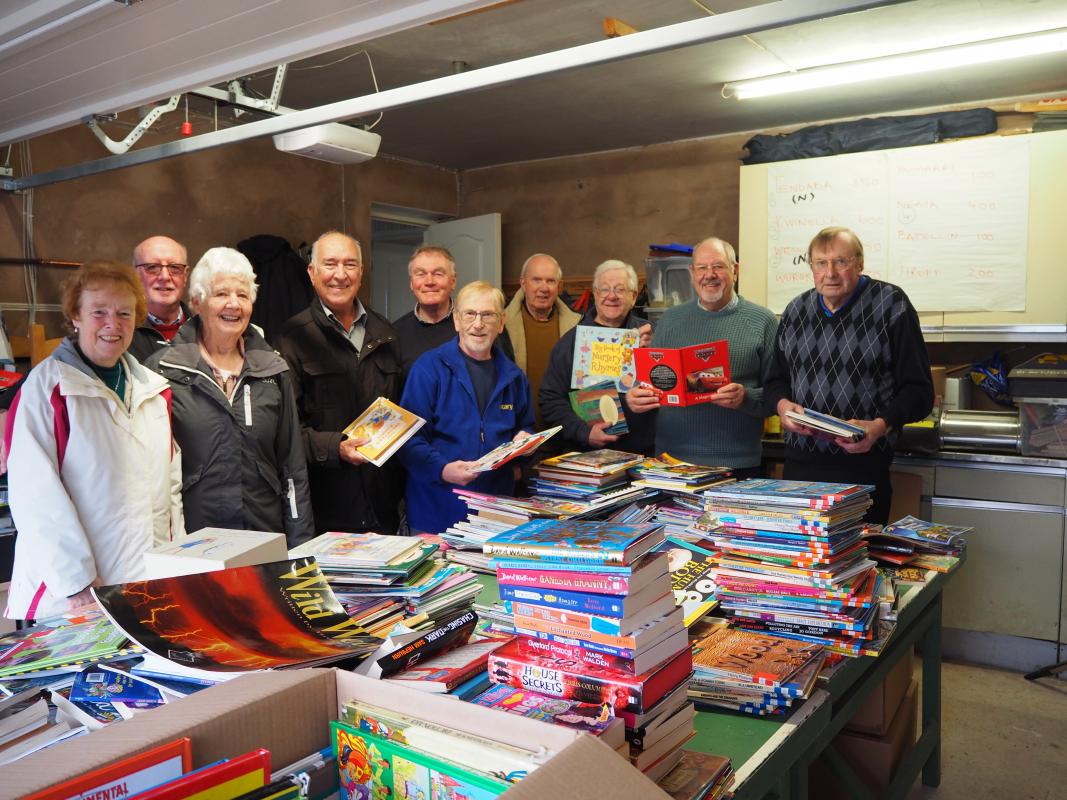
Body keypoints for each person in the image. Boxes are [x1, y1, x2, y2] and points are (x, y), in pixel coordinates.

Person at [4, 260, 183, 620]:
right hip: (74, 594)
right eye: (98, 312)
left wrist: (173, 564)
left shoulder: (154, 390)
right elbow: (35, 495)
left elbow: (169, 491)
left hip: (145, 583)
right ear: (75, 317)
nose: (112, 325)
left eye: (124, 313)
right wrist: (76, 581)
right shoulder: (48, 389)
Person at [147, 247, 314, 546]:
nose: (234, 304)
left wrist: (300, 546)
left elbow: (292, 468)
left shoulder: (273, 369)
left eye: (243, 295)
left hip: (262, 536)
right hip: (194, 541)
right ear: (197, 302)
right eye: (222, 293)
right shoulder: (163, 370)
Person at [767, 226, 934, 523]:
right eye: (821, 263)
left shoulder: (891, 305)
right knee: (800, 562)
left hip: (863, 467)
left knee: (860, 562)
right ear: (812, 267)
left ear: (859, 263)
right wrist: (782, 407)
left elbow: (919, 392)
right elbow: (774, 381)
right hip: (799, 471)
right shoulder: (795, 311)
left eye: (840, 262)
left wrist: (879, 427)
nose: (830, 272)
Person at [277, 231, 405, 534]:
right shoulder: (290, 337)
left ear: (361, 273)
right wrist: (337, 447)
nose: (339, 275)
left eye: (349, 265)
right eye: (330, 264)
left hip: (381, 503)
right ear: (311, 272)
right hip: (326, 505)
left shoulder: (386, 333)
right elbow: (285, 430)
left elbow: (401, 409)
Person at [626, 237, 778, 475]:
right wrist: (636, 398)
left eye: (718, 266)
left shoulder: (763, 321)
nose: (710, 274)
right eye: (702, 268)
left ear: (735, 271)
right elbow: (650, 383)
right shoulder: (670, 320)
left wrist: (745, 398)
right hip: (671, 462)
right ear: (692, 273)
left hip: (737, 463)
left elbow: (777, 395)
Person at [398, 281, 534, 534]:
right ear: (457, 321)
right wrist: (442, 469)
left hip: (496, 514)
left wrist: (524, 440)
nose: (478, 324)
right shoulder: (428, 369)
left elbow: (525, 424)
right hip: (437, 513)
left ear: (501, 322)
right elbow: (406, 440)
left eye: (488, 315)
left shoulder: (514, 376)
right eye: (470, 314)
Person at [539, 259, 655, 455]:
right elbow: (549, 400)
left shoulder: (652, 336)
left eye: (620, 290)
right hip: (589, 458)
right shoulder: (572, 342)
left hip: (644, 456)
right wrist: (583, 431)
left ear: (634, 297)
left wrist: (654, 353)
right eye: (604, 289)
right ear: (594, 294)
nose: (611, 296)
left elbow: (671, 390)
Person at [502, 253, 581, 426]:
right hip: (519, 434)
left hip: (566, 433)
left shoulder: (577, 326)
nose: (544, 288)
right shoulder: (501, 326)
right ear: (523, 283)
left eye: (550, 281)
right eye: (536, 280)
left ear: (559, 287)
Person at [393, 245, 458, 375]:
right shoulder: (395, 334)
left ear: (453, 281)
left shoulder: (478, 327)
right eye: (420, 274)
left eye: (438, 274)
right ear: (411, 283)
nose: (429, 281)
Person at [128, 235, 192, 362]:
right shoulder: (120, 332)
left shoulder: (205, 330)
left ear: (185, 276)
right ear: (135, 275)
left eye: (174, 268)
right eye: (152, 267)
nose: (165, 277)